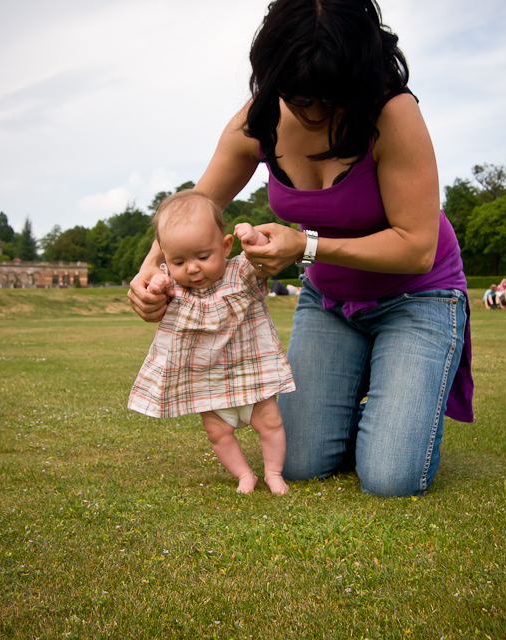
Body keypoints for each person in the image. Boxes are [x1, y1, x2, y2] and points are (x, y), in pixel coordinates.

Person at [128, 0, 473, 497]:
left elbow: (417, 248)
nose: (311, 112)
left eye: (328, 99)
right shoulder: (259, 118)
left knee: (391, 478)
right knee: (302, 461)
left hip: (418, 297)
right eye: (298, 96)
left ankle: (399, 402)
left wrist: (305, 245)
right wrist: (150, 274)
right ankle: (376, 401)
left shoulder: (393, 113)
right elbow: (196, 207)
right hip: (329, 303)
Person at [128, 191, 295, 494]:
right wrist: (156, 285)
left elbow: (263, 259)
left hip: (251, 372)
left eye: (203, 257)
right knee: (218, 434)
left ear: (225, 245)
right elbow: (154, 291)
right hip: (209, 380)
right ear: (164, 259)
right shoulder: (174, 287)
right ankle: (245, 474)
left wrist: (254, 237)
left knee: (270, 423)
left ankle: (273, 472)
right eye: (178, 261)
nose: (192, 268)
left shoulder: (240, 273)